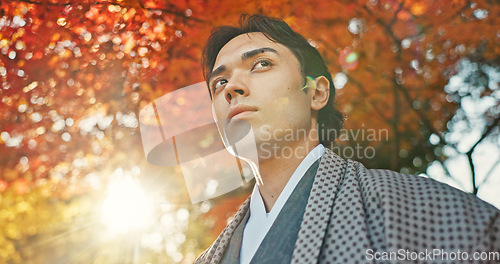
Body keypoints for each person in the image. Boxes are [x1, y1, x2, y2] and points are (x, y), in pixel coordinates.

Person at [195, 14, 500, 264]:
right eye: (219, 82)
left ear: (316, 92)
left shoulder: (422, 209)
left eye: (261, 64)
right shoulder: (209, 258)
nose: (231, 87)